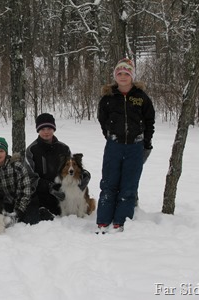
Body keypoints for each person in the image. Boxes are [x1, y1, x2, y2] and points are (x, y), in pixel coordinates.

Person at [96, 58, 155, 233]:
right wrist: (109, 135)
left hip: (135, 147)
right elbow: (102, 119)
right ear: (115, 76)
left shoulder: (141, 97)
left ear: (132, 76)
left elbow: (149, 121)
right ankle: (103, 219)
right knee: (109, 183)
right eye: (119, 74)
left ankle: (121, 220)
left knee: (129, 184)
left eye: (126, 74)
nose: (123, 77)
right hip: (114, 146)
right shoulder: (108, 98)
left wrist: (146, 142)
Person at [25, 113, 91, 217]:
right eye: (42, 129)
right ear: (38, 130)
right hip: (42, 195)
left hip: (64, 194)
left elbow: (72, 167)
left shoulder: (64, 148)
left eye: (49, 128)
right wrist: (49, 187)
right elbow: (30, 177)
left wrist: (85, 174)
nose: (46, 132)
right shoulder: (31, 150)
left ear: (54, 129)